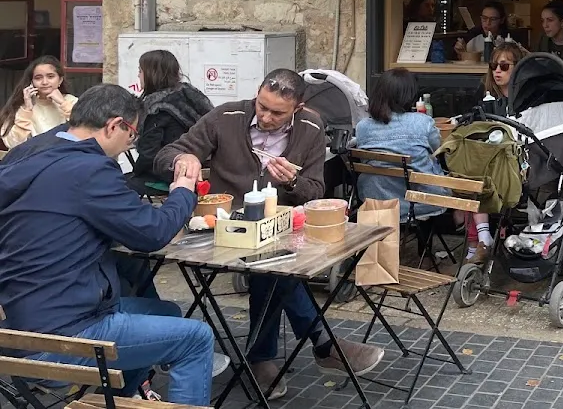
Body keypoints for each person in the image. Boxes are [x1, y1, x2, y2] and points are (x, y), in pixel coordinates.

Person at [156, 69, 384, 398]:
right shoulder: (227, 116)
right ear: (257, 95)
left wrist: (292, 181)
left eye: (277, 113)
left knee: (272, 265)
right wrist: (184, 158)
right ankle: (320, 345)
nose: (265, 117)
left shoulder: (310, 127)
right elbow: (165, 155)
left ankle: (264, 357)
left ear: (298, 108)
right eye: (262, 106)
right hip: (225, 227)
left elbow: (315, 191)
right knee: (273, 267)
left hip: (280, 228)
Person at [0, 84, 214, 405]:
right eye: (132, 136)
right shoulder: (90, 169)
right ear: (114, 126)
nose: (131, 144)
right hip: (63, 335)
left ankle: (118, 398)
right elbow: (152, 233)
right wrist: (183, 190)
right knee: (196, 339)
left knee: (167, 312)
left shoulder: (28, 152)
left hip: (17, 325)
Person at [354, 69, 448, 259]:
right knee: (435, 168)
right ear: (408, 95)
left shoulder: (363, 127)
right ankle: (425, 251)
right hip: (418, 201)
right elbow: (438, 148)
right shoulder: (422, 123)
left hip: (375, 199)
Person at [462, 42, 525, 262]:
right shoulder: (485, 95)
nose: (497, 71)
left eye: (504, 66)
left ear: (517, 68)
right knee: (466, 171)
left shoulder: (526, 100)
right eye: (494, 66)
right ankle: (481, 239)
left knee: (473, 175)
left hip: (513, 161)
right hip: (487, 156)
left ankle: (477, 243)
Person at [131, 49, 213, 185]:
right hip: (203, 170)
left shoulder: (157, 109)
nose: (138, 75)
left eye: (140, 71)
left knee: (122, 184)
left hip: (173, 173)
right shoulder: (191, 96)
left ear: (151, 74)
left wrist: (136, 172)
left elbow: (148, 154)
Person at [1, 55, 76, 148]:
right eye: (38, 78)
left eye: (50, 76)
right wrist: (27, 109)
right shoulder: (22, 106)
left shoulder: (72, 101)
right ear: (31, 82)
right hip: (32, 155)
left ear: (60, 80)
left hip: (65, 154)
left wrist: (62, 103)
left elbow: (87, 131)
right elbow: (12, 144)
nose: (44, 82)